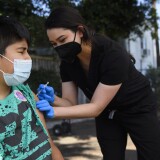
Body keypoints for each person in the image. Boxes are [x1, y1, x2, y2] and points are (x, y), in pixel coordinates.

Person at [36, 6, 160, 160]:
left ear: (80, 31)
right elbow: (70, 103)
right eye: (54, 44)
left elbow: (95, 107)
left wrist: (53, 112)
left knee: (152, 155)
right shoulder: (67, 63)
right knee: (111, 156)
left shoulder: (112, 54)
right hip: (106, 113)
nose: (59, 47)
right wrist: (53, 100)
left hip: (138, 107)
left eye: (62, 40)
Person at [0, 16, 64, 160]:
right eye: (21, 51)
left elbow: (49, 142)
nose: (28, 58)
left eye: (27, 51)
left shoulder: (23, 90)